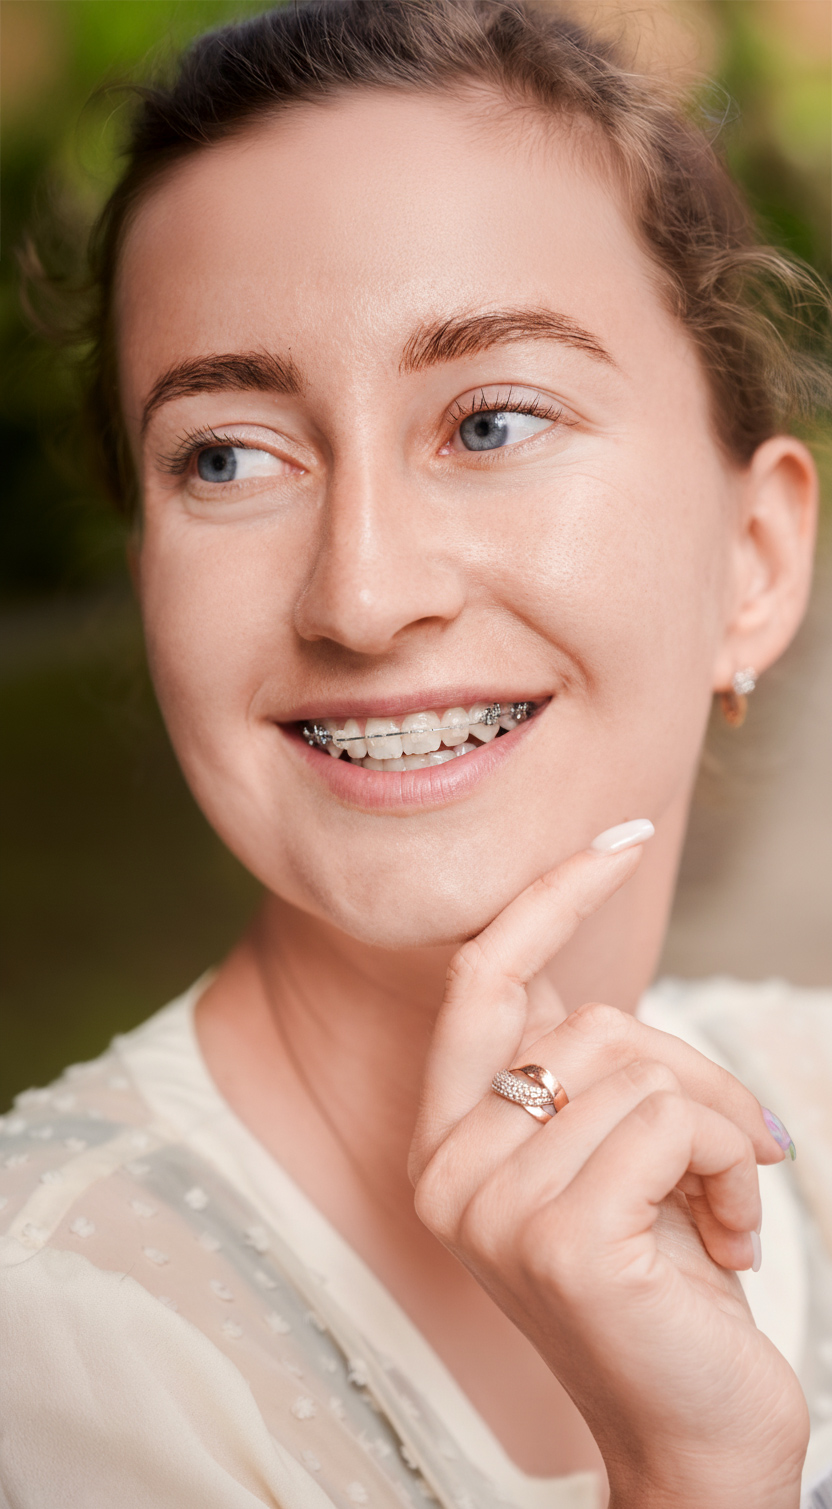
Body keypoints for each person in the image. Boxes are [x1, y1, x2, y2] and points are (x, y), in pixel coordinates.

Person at [1, 2, 831, 1505]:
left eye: (493, 420)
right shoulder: (57, 1353)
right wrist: (696, 1471)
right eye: (229, 456)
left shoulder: (815, 1097)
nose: (363, 595)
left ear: (758, 558)